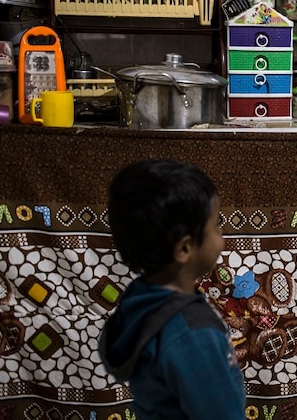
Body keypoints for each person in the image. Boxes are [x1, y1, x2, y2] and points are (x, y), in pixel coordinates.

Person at [99, 159, 246, 420]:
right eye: (215, 224)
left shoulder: (139, 297)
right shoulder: (192, 334)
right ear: (185, 248)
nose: (221, 232)